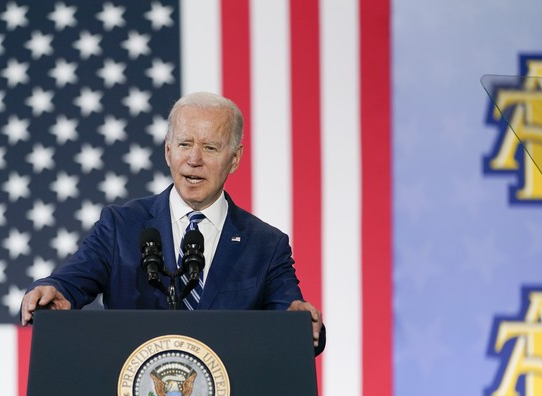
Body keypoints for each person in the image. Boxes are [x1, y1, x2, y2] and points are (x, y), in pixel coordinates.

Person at [20, 91, 325, 354]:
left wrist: (300, 321)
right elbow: (70, 281)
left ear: (234, 158)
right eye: (184, 144)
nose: (194, 159)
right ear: (167, 150)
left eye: (210, 147)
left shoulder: (265, 245)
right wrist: (53, 290)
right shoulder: (121, 226)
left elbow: (290, 313)